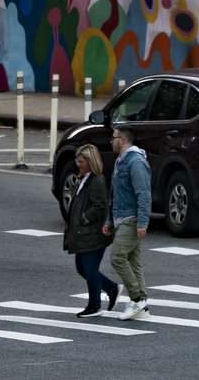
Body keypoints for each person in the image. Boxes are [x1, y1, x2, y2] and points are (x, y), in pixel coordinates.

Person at [64, 144, 120, 317]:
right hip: (83, 233)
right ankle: (111, 288)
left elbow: (100, 206)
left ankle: (94, 306)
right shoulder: (84, 178)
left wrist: (83, 218)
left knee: (89, 268)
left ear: (90, 162)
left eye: (81, 161)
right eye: (77, 160)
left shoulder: (97, 180)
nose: (77, 164)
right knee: (82, 268)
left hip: (93, 233)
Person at [103, 126, 152, 320]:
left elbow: (144, 194)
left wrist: (142, 222)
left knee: (117, 257)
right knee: (133, 262)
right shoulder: (120, 161)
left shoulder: (136, 162)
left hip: (131, 219)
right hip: (121, 217)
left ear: (122, 140)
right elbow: (114, 194)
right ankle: (142, 308)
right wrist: (109, 220)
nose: (111, 141)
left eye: (113, 138)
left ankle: (137, 298)